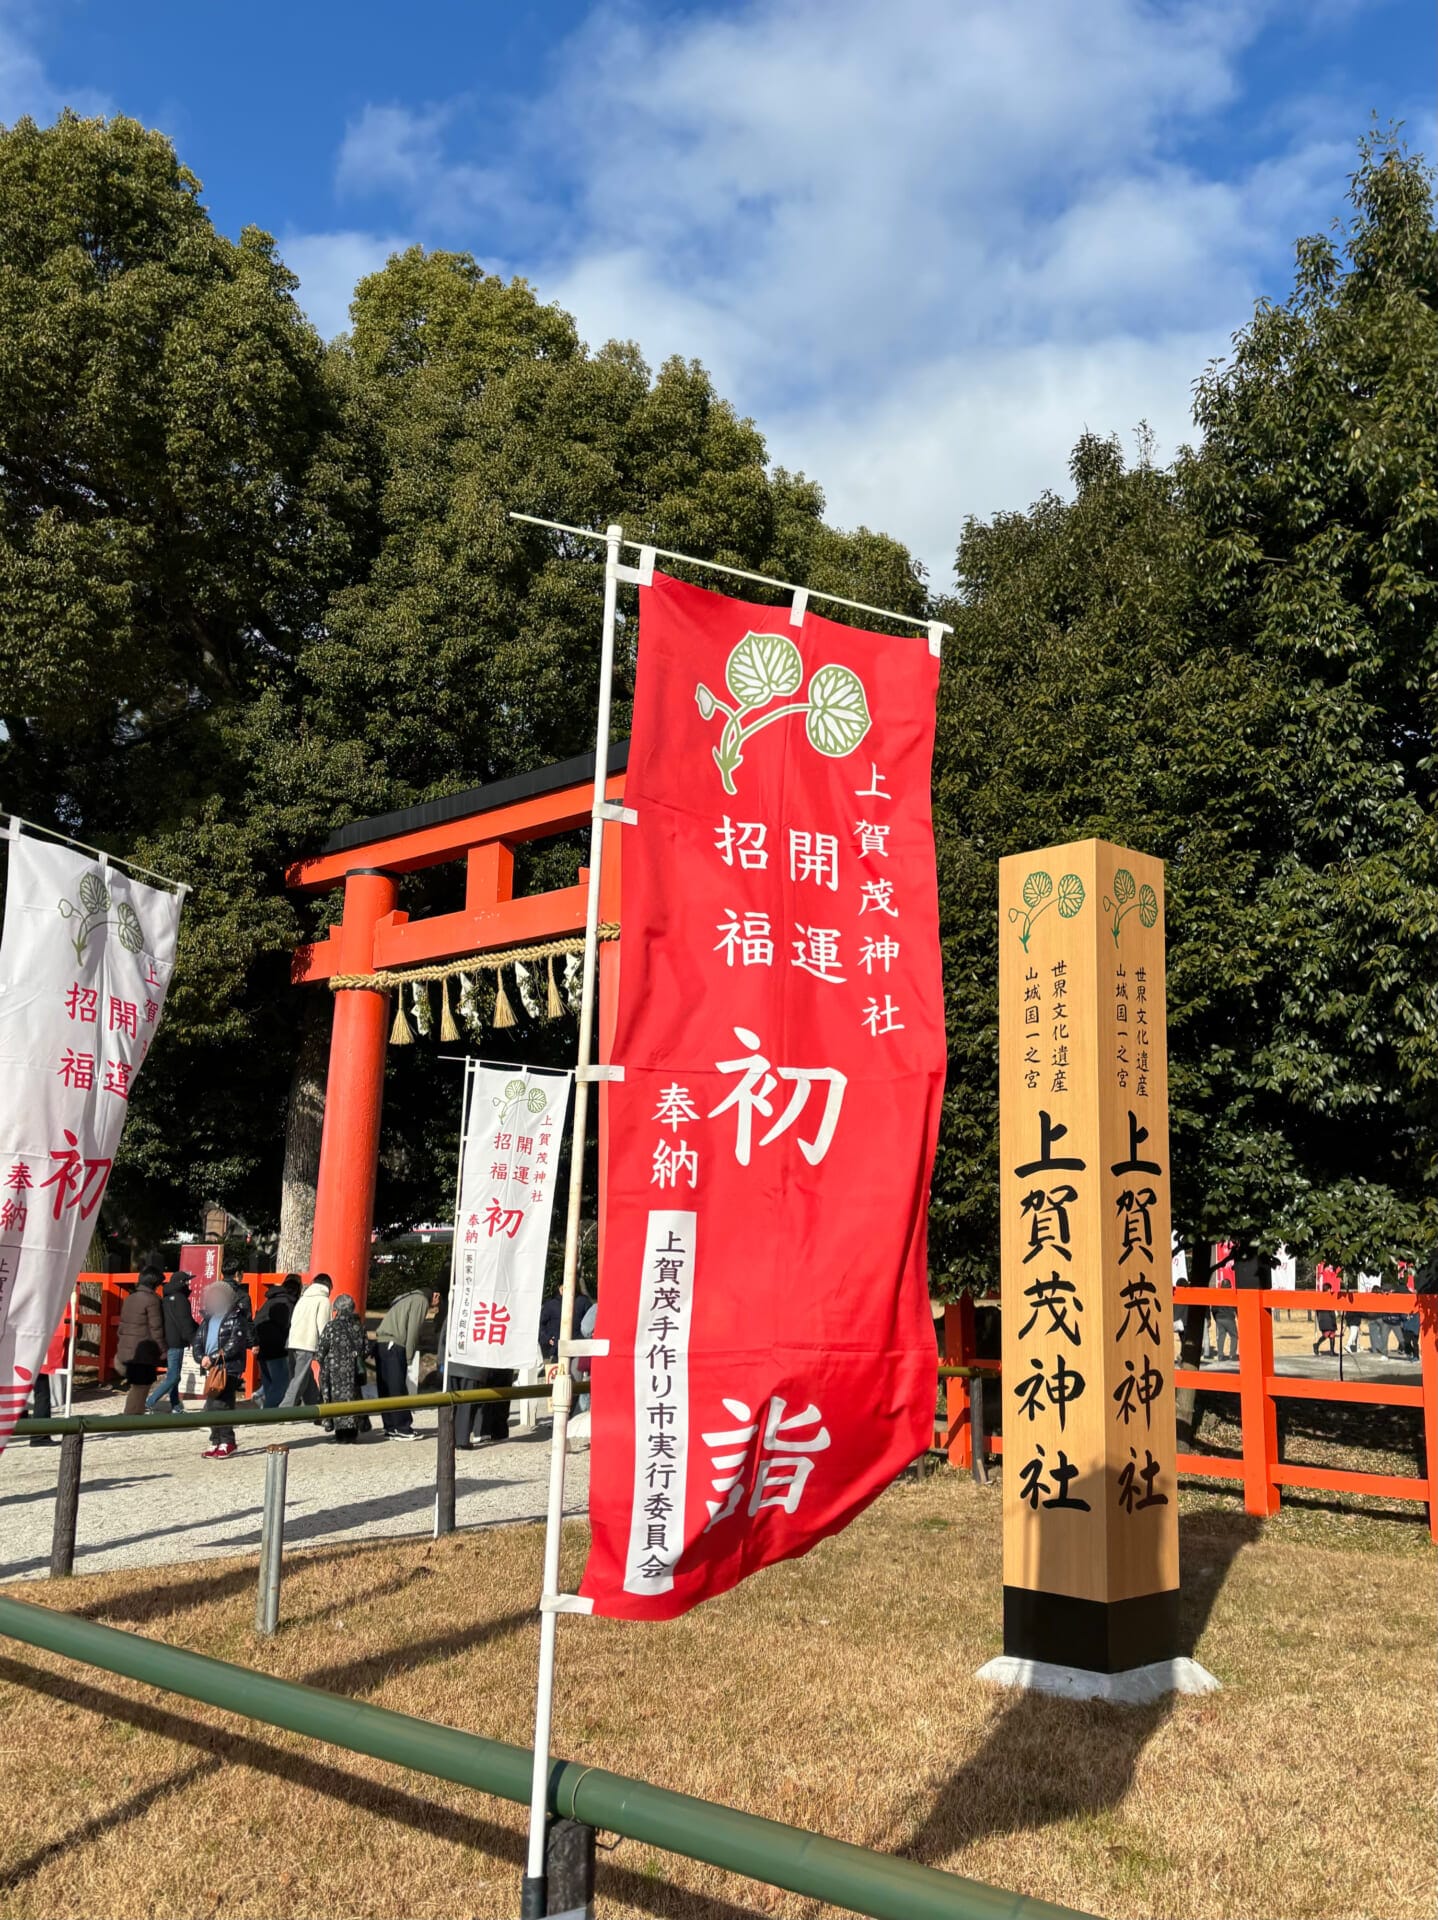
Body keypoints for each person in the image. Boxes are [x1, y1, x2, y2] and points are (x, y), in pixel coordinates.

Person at [192, 1278, 252, 1457]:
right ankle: (216, 1440)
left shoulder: (236, 1318)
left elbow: (234, 1344)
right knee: (212, 1404)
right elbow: (198, 1341)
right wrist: (201, 1357)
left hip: (228, 1367)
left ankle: (227, 1440)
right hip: (211, 1367)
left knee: (221, 1404)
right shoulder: (207, 1319)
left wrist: (214, 1357)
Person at [373, 1285, 439, 1437]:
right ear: (435, 1296)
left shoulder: (406, 1297)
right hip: (395, 1344)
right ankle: (402, 1428)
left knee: (386, 1388)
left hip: (382, 1342)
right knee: (397, 1388)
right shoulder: (421, 1300)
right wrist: (409, 1358)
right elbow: (413, 1330)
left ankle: (390, 1426)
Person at [316, 1295, 369, 1442]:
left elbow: (321, 1350)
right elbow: (365, 1349)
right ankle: (352, 1433)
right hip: (353, 1373)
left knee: (337, 1401)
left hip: (335, 1372)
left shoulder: (331, 1327)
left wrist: (323, 1360)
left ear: (337, 1309)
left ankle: (341, 1434)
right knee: (353, 1399)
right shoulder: (359, 1326)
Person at [115, 1267, 165, 1413]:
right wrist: (163, 1350)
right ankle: (131, 1415)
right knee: (141, 1386)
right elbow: (156, 1328)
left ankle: (136, 1412)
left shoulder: (130, 1298)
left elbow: (122, 1325)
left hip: (128, 1348)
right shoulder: (152, 1300)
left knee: (137, 1385)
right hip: (144, 1350)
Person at [146, 1268, 196, 1413]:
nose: (189, 1285)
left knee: (174, 1375)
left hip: (167, 1340)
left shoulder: (166, 1299)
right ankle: (150, 1401)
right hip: (177, 1342)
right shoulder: (181, 1300)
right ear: (182, 1283)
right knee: (173, 1377)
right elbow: (186, 1323)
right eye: (187, 1282)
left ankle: (175, 1405)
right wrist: (194, 1339)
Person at [280, 1273, 332, 1406]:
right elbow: (324, 1326)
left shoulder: (303, 1298)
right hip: (306, 1344)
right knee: (299, 1380)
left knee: (304, 1377)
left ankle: (313, 1405)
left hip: (292, 1342)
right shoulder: (323, 1300)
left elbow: (293, 1320)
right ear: (328, 1286)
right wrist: (326, 1347)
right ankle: (284, 1410)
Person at [252, 1273, 300, 1407]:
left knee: (269, 1384)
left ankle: (264, 1403)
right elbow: (286, 1326)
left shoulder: (270, 1300)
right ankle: (269, 1412)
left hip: (262, 1347)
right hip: (277, 1349)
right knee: (280, 1385)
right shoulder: (287, 1303)